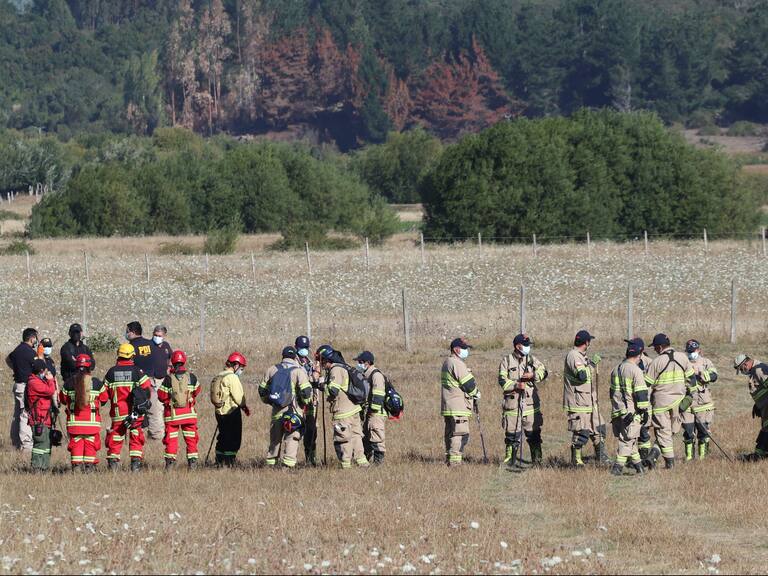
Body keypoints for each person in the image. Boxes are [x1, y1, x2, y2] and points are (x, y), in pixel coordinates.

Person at [644, 333, 696, 469]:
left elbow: (647, 385)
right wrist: (690, 396)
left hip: (661, 404)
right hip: (678, 403)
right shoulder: (683, 358)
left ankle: (669, 463)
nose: (655, 350)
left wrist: (644, 406)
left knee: (663, 432)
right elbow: (693, 380)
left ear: (660, 347)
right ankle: (654, 455)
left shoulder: (656, 362)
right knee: (671, 431)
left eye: (655, 348)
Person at [498, 334, 547, 467]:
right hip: (512, 405)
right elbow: (502, 380)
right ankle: (510, 461)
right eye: (525, 345)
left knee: (534, 435)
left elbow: (544, 371)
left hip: (530, 405)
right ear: (517, 346)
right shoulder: (506, 361)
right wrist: (515, 385)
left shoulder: (531, 359)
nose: (527, 348)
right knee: (512, 435)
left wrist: (533, 375)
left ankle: (537, 461)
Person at [259, 346, 312, 469]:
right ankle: (287, 467)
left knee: (275, 441)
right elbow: (306, 392)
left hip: (276, 412)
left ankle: (270, 465)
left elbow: (262, 390)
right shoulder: (298, 371)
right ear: (295, 357)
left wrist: (270, 402)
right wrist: (304, 403)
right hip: (292, 412)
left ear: (282, 356)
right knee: (292, 439)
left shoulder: (271, 370)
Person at [563, 330, 609, 467]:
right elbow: (582, 376)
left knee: (599, 427)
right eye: (590, 342)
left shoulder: (582, 357)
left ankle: (601, 456)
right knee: (581, 431)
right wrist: (592, 365)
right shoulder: (573, 356)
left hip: (590, 401)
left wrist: (590, 363)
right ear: (586, 342)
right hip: (578, 402)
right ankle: (576, 461)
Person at [104, 343, 153, 472]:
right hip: (135, 413)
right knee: (136, 437)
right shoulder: (137, 372)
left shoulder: (111, 372)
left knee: (115, 437)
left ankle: (113, 467)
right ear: (131, 356)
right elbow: (147, 389)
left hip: (118, 412)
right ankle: (135, 467)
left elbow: (104, 395)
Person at [319, 345, 368, 469]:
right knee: (356, 436)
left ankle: (346, 466)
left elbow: (333, 391)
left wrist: (320, 385)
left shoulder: (336, 370)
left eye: (321, 360)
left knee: (343, 438)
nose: (320, 364)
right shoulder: (343, 367)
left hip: (343, 412)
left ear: (326, 359)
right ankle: (362, 463)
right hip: (354, 409)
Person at [59, 354, 108, 472]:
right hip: (92, 424)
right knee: (90, 444)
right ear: (90, 366)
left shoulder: (69, 383)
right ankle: (89, 468)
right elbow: (104, 399)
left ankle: (76, 468)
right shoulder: (96, 383)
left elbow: (62, 400)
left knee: (76, 444)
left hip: (74, 424)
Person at [609, 338, 650, 476]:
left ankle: (639, 468)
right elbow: (641, 395)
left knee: (631, 440)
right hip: (631, 414)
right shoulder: (636, 371)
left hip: (618, 412)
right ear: (640, 354)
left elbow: (612, 393)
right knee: (627, 440)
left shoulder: (616, 369)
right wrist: (644, 412)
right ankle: (617, 468)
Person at [157, 350, 201, 469]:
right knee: (191, 440)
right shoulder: (192, 377)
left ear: (173, 362)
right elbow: (197, 391)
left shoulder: (168, 379)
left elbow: (161, 396)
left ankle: (170, 465)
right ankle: (192, 465)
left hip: (173, 417)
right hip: (189, 416)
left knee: (171, 441)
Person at [441, 338, 479, 467]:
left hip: (449, 405)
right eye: (464, 348)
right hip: (458, 406)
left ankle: (450, 458)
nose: (466, 351)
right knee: (460, 434)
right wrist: (476, 393)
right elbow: (468, 384)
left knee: (451, 434)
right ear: (456, 350)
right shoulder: (456, 363)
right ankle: (455, 462)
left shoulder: (447, 362)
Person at [125, 321, 163, 441]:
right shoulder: (150, 344)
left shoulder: (130, 347)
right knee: (153, 411)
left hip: (136, 384)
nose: (126, 334)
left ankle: (135, 436)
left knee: (134, 410)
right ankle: (156, 437)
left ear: (133, 332)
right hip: (151, 382)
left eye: (127, 331)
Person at [212, 352, 250, 467]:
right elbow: (239, 398)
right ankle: (229, 462)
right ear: (236, 365)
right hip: (231, 412)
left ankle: (219, 461)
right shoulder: (232, 377)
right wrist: (244, 406)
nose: (241, 370)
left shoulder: (219, 376)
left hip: (219, 412)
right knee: (233, 439)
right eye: (241, 368)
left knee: (222, 437)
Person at [681, 339, 717, 461]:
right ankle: (689, 458)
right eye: (689, 351)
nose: (691, 353)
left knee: (703, 432)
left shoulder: (706, 362)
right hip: (687, 402)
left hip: (703, 402)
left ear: (699, 350)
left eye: (693, 351)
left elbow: (714, 376)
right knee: (688, 431)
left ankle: (703, 458)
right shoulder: (683, 363)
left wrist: (702, 376)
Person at [7, 328, 38, 452]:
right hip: (25, 386)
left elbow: (8, 360)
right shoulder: (31, 353)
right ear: (31, 338)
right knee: (25, 415)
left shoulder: (17, 350)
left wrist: (16, 369)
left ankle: (15, 442)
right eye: (35, 338)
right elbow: (39, 367)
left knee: (17, 414)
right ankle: (25, 445)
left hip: (17, 385)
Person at [734, 354, 768, 461]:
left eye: (741, 369)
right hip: (763, 408)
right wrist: (757, 405)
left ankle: (758, 456)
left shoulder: (759, 370)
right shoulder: (754, 371)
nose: (742, 371)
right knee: (765, 429)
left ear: (745, 363)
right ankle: (760, 455)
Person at [356, 351, 387, 465]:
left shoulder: (376, 375)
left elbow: (378, 395)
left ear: (367, 363)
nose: (358, 364)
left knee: (376, 436)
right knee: (367, 437)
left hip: (376, 413)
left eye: (360, 362)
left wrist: (372, 411)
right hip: (370, 413)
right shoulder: (366, 375)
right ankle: (365, 462)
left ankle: (378, 464)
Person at [26, 359, 57, 471]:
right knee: (40, 445)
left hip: (45, 419)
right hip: (39, 419)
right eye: (45, 371)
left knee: (46, 445)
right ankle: (37, 467)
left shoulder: (37, 381)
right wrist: (51, 380)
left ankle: (44, 467)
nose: (45, 373)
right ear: (41, 370)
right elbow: (50, 391)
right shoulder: (34, 383)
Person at [295, 335, 320, 466]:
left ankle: (311, 459)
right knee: (294, 431)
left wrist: (318, 373)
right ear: (296, 348)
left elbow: (316, 380)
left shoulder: (311, 363)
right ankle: (290, 458)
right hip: (298, 404)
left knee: (311, 431)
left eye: (306, 348)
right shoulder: (293, 364)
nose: (304, 350)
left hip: (311, 403)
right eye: (301, 348)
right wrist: (313, 377)